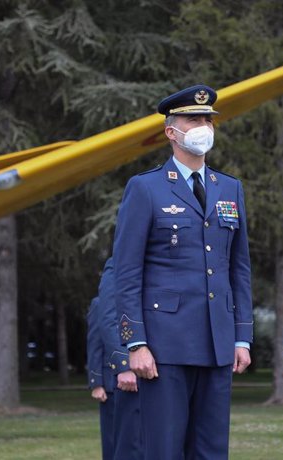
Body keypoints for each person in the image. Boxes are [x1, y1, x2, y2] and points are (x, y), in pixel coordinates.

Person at [113, 84, 253, 459]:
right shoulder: (146, 188)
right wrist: (135, 342)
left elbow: (238, 268)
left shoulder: (229, 189)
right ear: (171, 131)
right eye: (194, 119)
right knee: (165, 449)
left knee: (211, 451)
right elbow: (126, 273)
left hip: (217, 341)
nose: (204, 126)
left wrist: (242, 338)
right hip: (165, 345)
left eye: (208, 119)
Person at [97, 257, 142, 460]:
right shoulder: (119, 263)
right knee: (131, 447)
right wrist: (125, 365)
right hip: (133, 371)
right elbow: (109, 317)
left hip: (167, 368)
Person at [87, 295, 116, 460]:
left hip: (140, 381)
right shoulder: (100, 303)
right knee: (111, 439)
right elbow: (94, 344)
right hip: (109, 383)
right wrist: (96, 383)